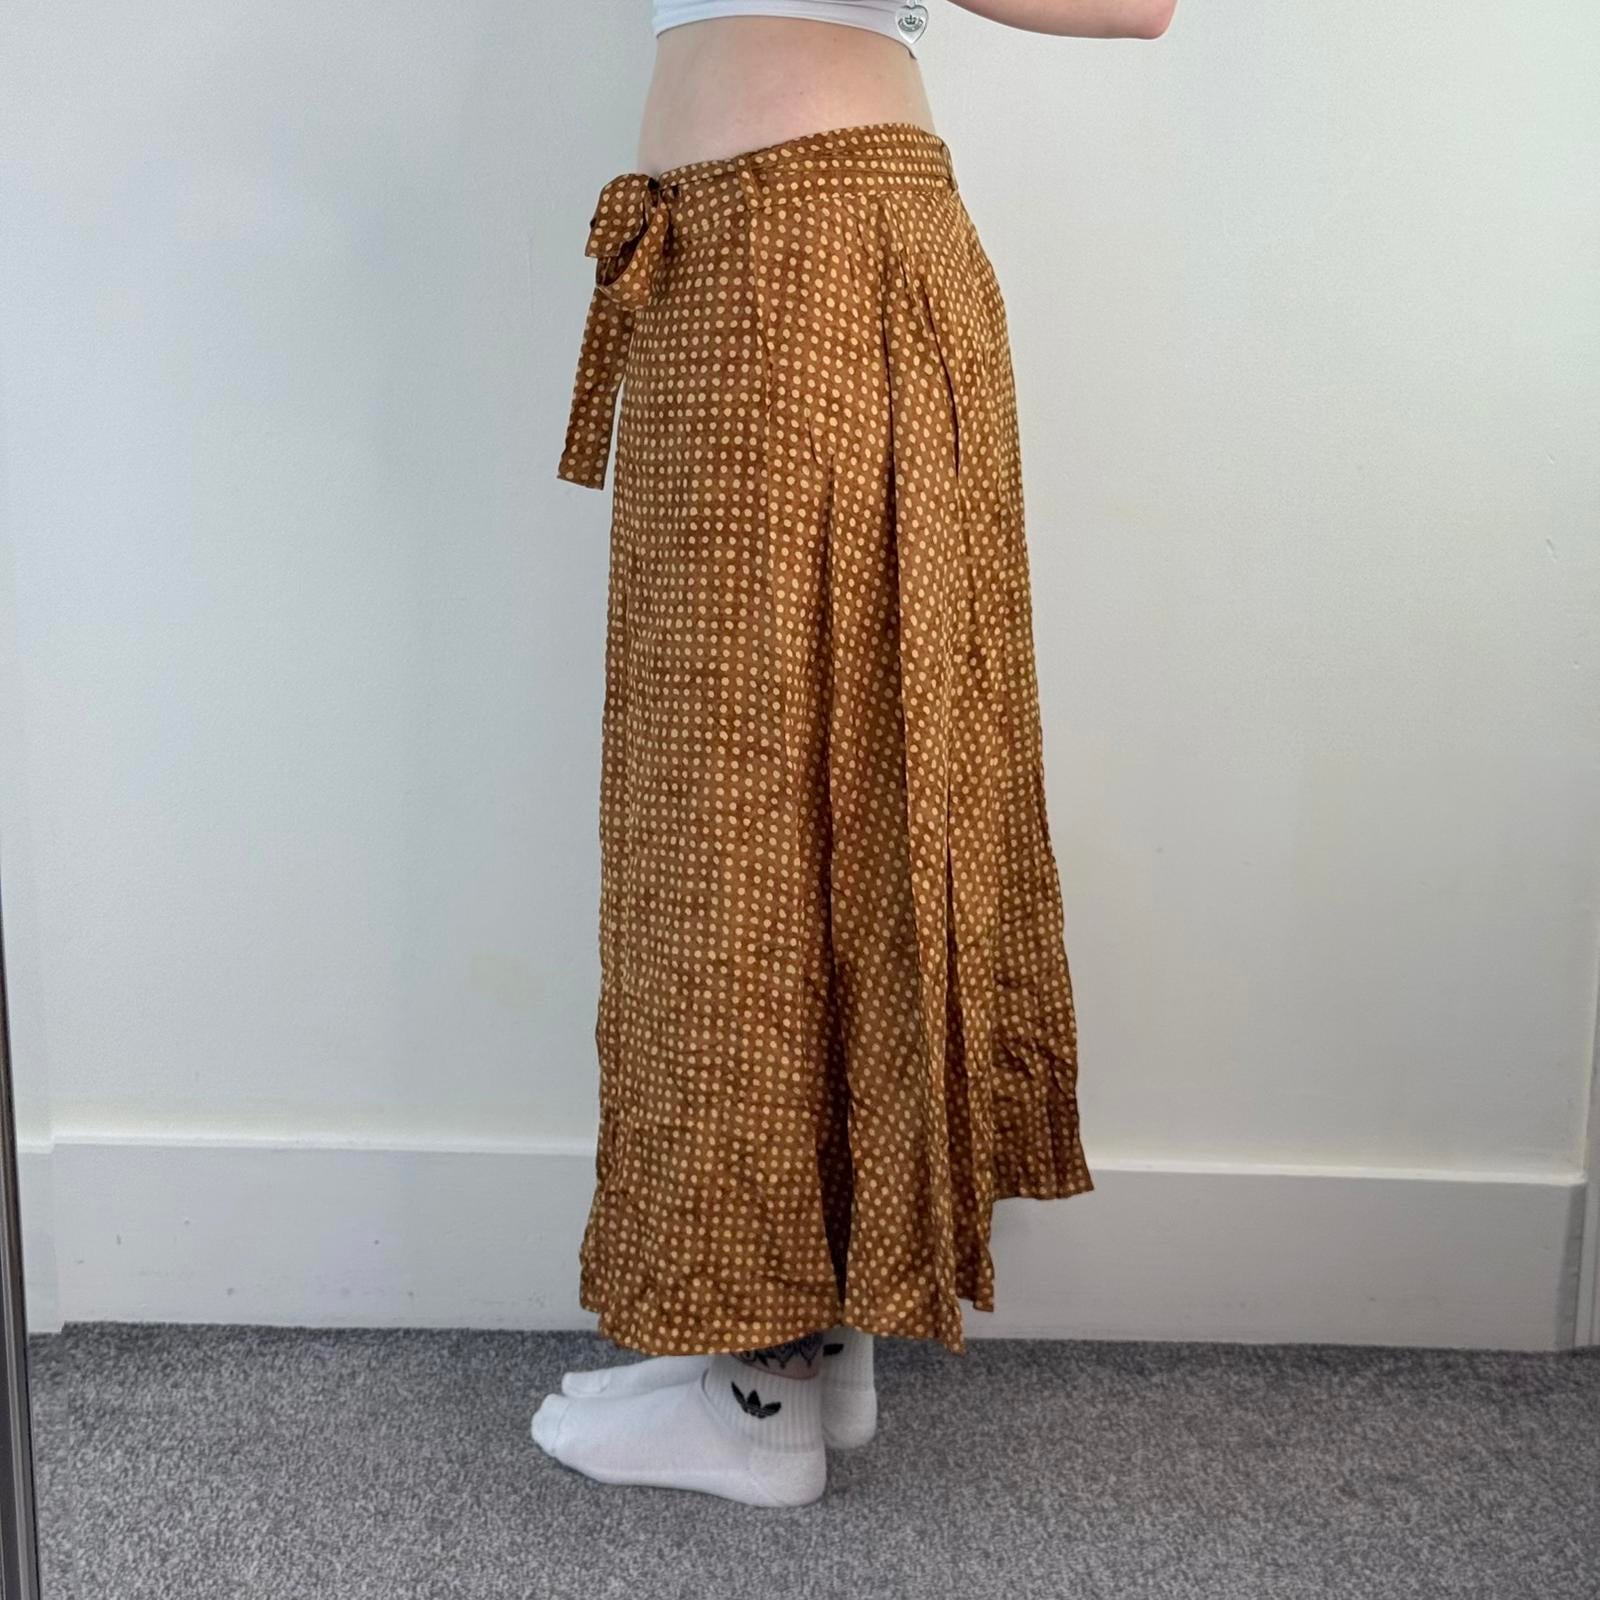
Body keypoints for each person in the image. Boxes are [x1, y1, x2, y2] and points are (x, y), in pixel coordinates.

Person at [534, 0, 1176, 1508]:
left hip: (804, 255)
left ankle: (763, 1396)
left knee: (749, 813)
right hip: (759, 251)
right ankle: (811, 1333)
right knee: (762, 790)